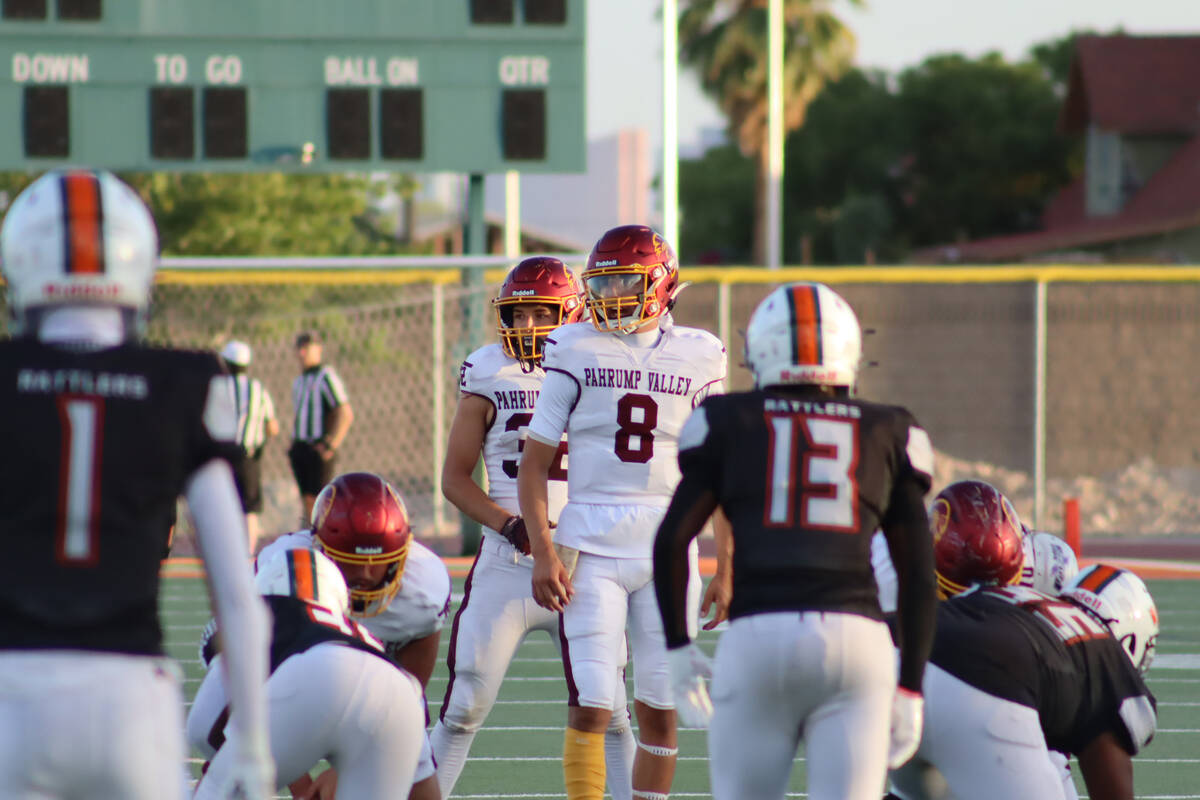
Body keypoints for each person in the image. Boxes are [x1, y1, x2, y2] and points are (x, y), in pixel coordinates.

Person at [0, 169, 272, 799]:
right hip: (128, 701)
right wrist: (255, 746)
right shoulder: (185, 381)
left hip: (12, 693)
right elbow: (235, 591)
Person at [652, 281, 938, 800]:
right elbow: (919, 572)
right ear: (851, 349)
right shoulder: (889, 429)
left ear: (759, 349)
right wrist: (912, 684)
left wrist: (677, 647)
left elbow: (672, 540)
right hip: (857, 641)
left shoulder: (727, 421)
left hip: (759, 636)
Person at [518, 225, 728, 800]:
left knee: (661, 709)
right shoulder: (573, 346)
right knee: (592, 703)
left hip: (671, 549)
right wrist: (542, 551)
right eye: (602, 282)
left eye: (622, 281)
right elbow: (534, 465)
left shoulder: (700, 352)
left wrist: (727, 565)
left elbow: (718, 473)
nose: (609, 295)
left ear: (661, 284)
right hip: (590, 545)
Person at [429, 257, 640, 799]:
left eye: (540, 313)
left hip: (582, 563)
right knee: (463, 705)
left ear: (569, 311)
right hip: (508, 561)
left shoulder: (603, 362)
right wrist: (511, 524)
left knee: (610, 707)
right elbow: (454, 478)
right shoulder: (486, 370)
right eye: (517, 314)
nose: (526, 327)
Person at [888, 564, 1159, 800]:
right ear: (1130, 641)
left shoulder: (1017, 596)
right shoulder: (1105, 654)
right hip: (983, 690)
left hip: (898, 662)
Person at [256, 471, 450, 800]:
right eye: (350, 563)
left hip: (376, 694)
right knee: (232, 770)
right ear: (318, 549)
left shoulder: (422, 590)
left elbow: (408, 691)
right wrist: (301, 784)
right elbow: (259, 685)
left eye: (380, 563)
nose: (365, 575)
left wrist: (350, 768)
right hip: (297, 690)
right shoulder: (285, 571)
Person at [189, 547, 425, 800]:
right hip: (402, 690)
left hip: (318, 674)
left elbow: (204, 728)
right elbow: (424, 779)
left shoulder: (258, 614)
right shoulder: (361, 636)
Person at [221, 339, 280, 553]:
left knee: (226, 503)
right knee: (250, 507)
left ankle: (227, 550)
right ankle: (248, 552)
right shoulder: (257, 389)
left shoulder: (218, 386)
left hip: (223, 455)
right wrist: (259, 441)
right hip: (249, 455)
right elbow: (273, 427)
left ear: (226, 362)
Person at [290, 330, 354, 521]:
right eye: (299, 348)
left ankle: (322, 541)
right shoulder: (299, 381)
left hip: (317, 446)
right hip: (301, 446)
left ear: (318, 349)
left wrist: (331, 444)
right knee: (307, 500)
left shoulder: (326, 376)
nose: (301, 353)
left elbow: (344, 412)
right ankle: (311, 539)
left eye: (306, 348)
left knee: (320, 500)